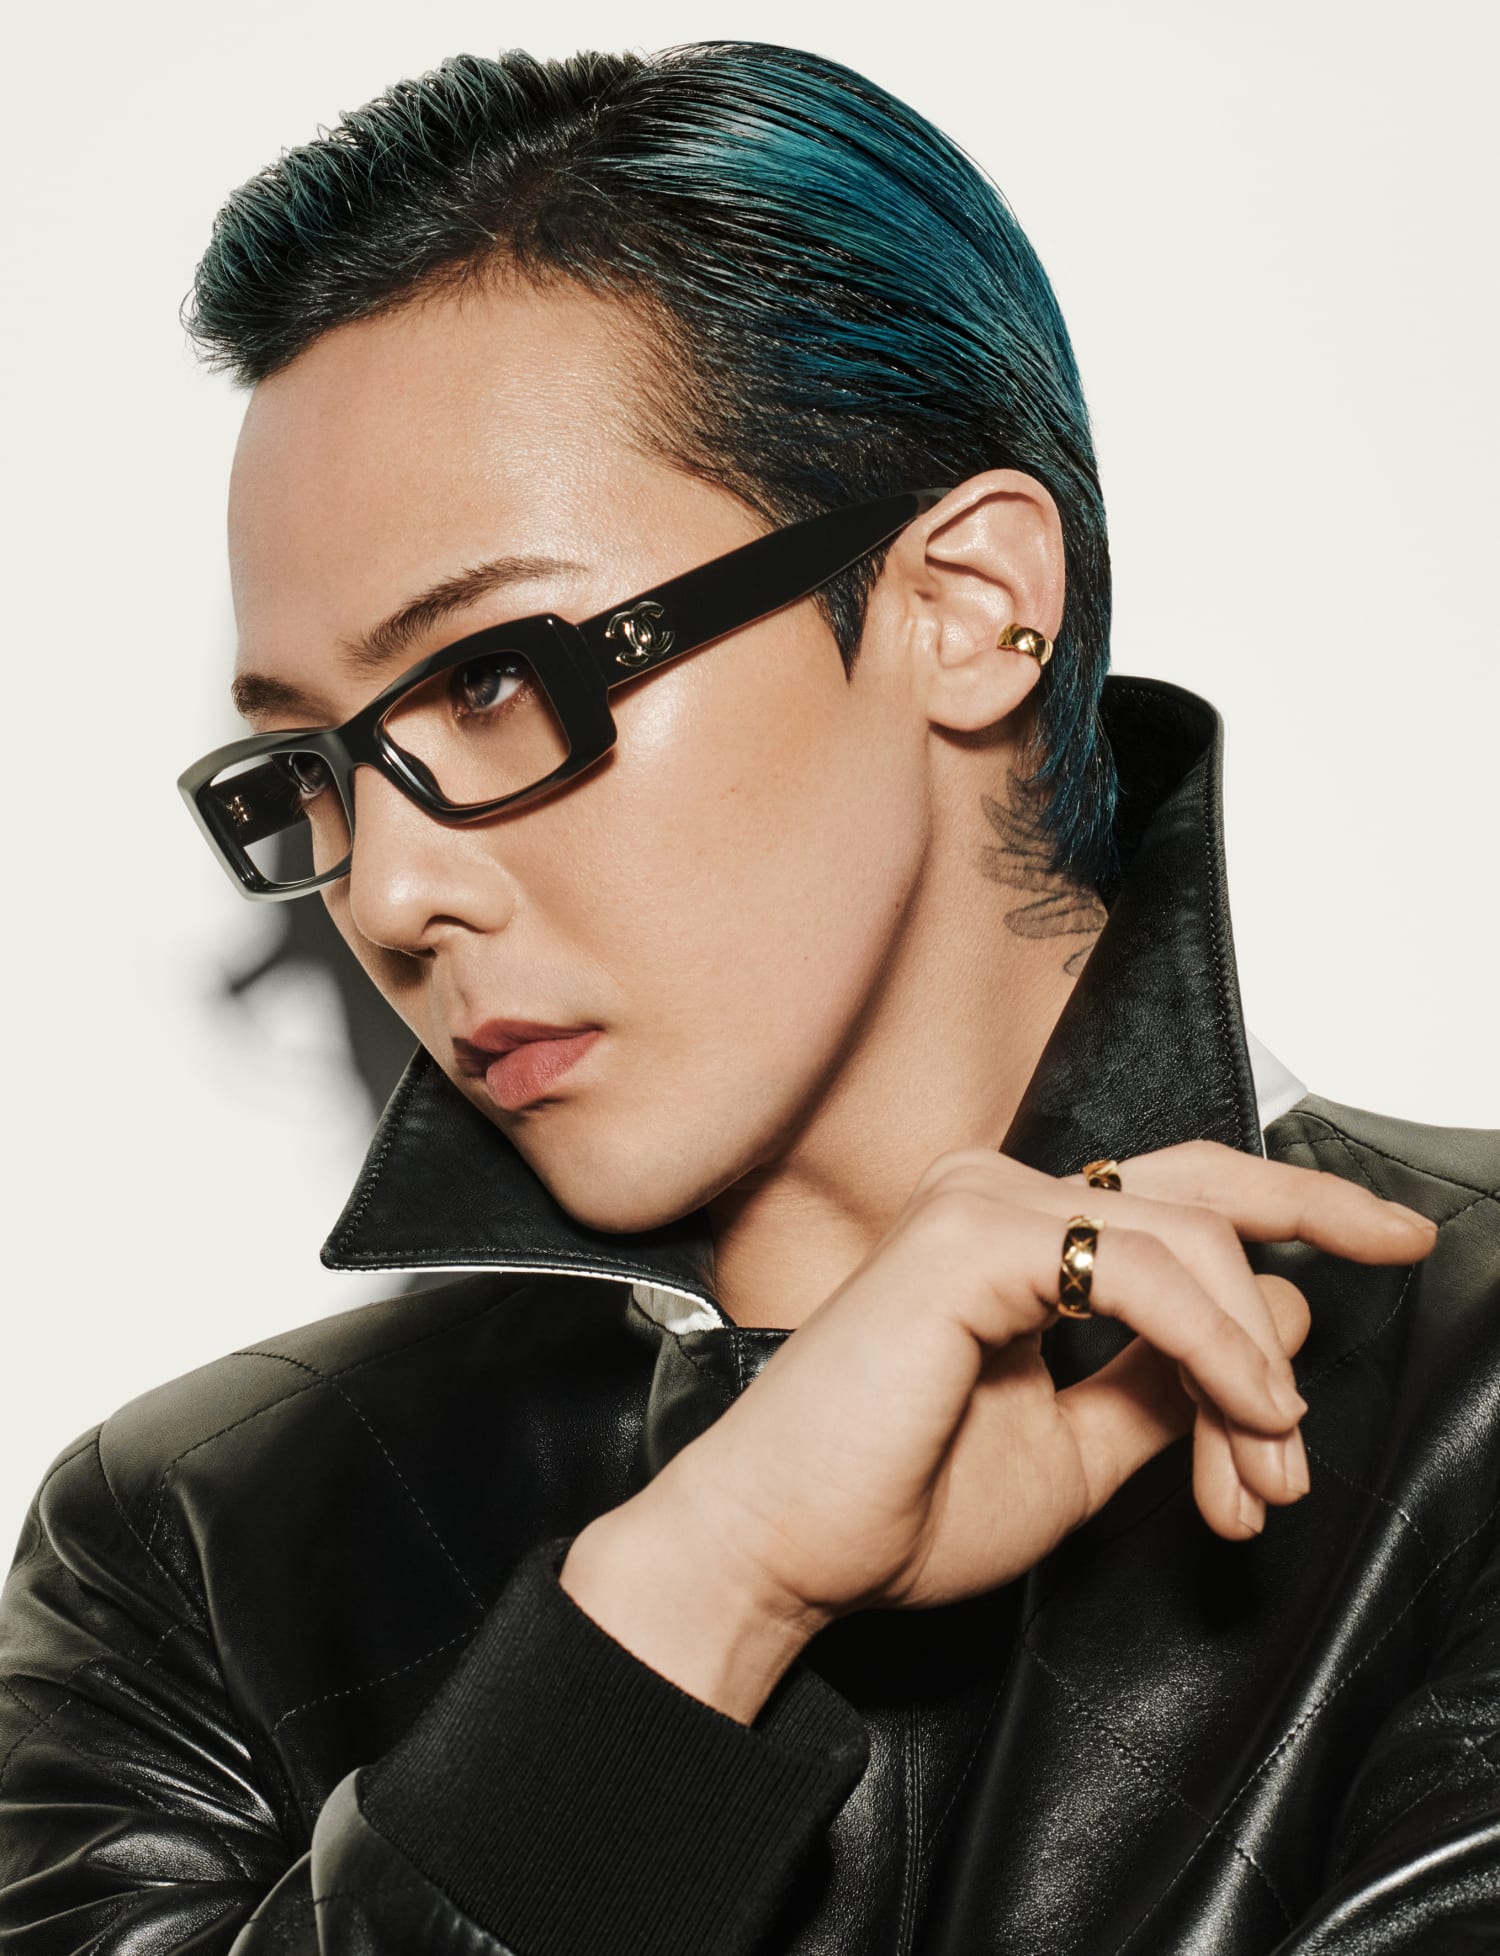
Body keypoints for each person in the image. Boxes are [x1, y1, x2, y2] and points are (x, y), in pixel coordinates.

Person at [1, 38, 1495, 1956]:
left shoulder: (1471, 1406)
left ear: (969, 605)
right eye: (312, 768)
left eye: (490, 679)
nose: (387, 890)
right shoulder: (195, 1551)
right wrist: (700, 1597)